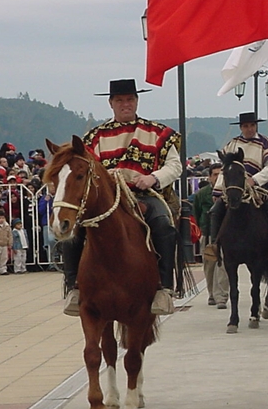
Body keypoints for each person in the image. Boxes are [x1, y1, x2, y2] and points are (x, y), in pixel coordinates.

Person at [62, 79, 182, 317]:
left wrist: (153, 178)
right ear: (111, 103)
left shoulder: (157, 133)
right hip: (106, 200)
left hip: (144, 194)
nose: (125, 104)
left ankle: (165, 288)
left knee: (163, 225)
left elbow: (175, 165)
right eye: (119, 100)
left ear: (136, 101)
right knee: (72, 232)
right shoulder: (94, 137)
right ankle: (74, 287)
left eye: (129, 100)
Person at [208, 112, 268, 252]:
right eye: (246, 126)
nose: (249, 129)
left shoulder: (265, 143)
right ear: (241, 128)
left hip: (260, 189)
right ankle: (214, 245)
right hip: (234, 187)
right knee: (215, 211)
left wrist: (254, 180)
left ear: (256, 126)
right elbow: (225, 170)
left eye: (252, 125)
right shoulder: (233, 144)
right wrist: (218, 190)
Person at [193, 163, 229, 308]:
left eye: (220, 174)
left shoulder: (228, 194)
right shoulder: (202, 194)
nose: (217, 177)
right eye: (214, 174)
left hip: (224, 234)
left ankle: (221, 296)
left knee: (223, 265)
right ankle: (212, 294)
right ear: (209, 177)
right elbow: (196, 212)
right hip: (207, 233)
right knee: (209, 266)